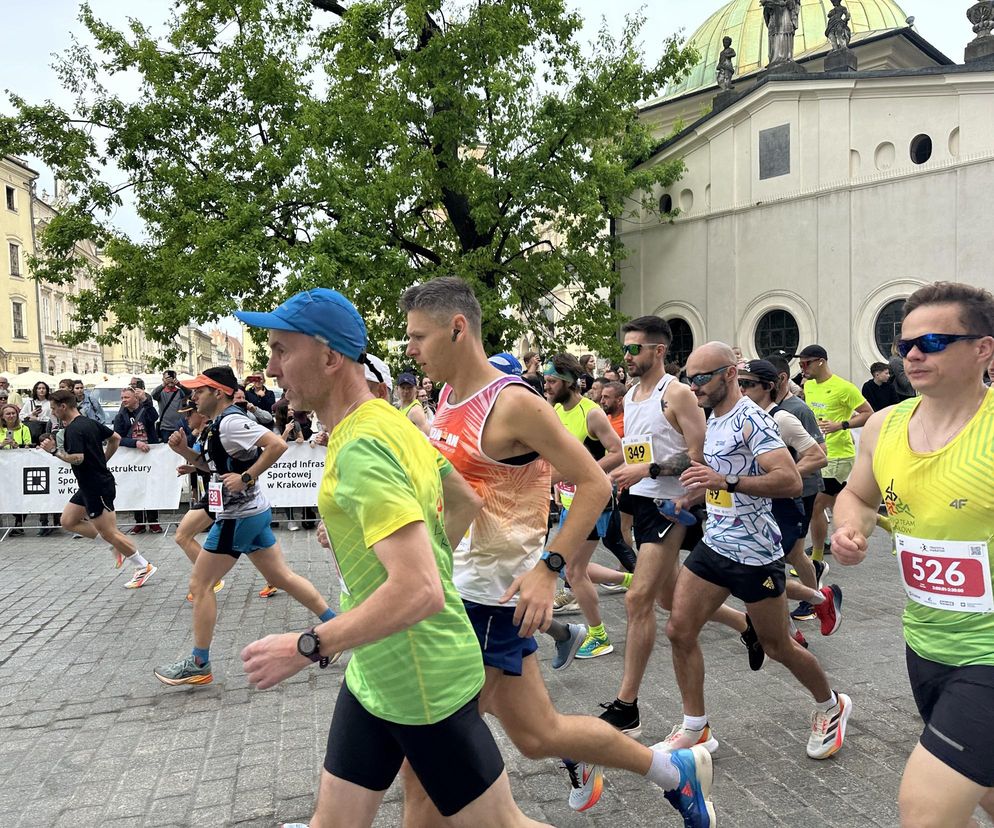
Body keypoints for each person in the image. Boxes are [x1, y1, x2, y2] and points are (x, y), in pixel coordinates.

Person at [401, 277, 715, 824]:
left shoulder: (513, 403)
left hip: (494, 603)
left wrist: (550, 569)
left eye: (417, 337)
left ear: (457, 329)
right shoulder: (447, 397)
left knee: (429, 771)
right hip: (459, 594)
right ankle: (674, 773)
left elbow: (594, 483)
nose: (409, 350)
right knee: (540, 734)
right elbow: (454, 489)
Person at [236, 288, 546, 828]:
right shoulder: (387, 420)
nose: (271, 367)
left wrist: (308, 646)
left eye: (282, 350)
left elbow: (420, 590)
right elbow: (462, 501)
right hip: (376, 672)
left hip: (422, 681)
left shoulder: (362, 447)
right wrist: (396, 549)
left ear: (331, 358)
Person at [832, 282, 994, 828]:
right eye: (904, 345)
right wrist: (848, 530)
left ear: (983, 348)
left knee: (925, 811)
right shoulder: (885, 425)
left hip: (990, 657)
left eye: (933, 340)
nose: (913, 354)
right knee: (985, 792)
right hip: (925, 644)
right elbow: (856, 494)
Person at [665, 343, 851, 761]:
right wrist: (694, 493)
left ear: (729, 374)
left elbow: (787, 480)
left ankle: (830, 704)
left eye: (701, 378)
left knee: (777, 646)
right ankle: (696, 727)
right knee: (679, 629)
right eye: (688, 379)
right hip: (717, 543)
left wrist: (727, 482)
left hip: (755, 553)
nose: (693, 387)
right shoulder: (712, 418)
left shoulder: (752, 420)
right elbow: (714, 473)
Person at [601, 317, 750, 741]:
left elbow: (701, 460)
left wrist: (648, 469)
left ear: (659, 351)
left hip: (671, 508)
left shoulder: (678, 393)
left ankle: (627, 705)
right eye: (625, 348)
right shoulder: (631, 395)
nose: (627, 356)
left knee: (638, 599)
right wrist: (598, 472)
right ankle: (746, 625)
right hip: (641, 498)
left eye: (635, 349)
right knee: (668, 598)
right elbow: (636, 450)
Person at [154, 366, 335, 686]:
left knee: (200, 585)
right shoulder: (217, 425)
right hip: (250, 514)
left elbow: (276, 446)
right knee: (283, 577)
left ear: (219, 393)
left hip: (237, 518)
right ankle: (335, 631)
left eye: (200, 391)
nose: (193, 397)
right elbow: (213, 466)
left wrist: (247, 477)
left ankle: (199, 663)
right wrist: (185, 452)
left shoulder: (233, 422)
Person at [736, 360, 842, 646]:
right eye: (739, 383)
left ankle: (790, 631)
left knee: (763, 574)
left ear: (769, 386)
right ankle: (821, 598)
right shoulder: (741, 419)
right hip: (754, 506)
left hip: (782, 504)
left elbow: (819, 455)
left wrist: (783, 476)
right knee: (787, 561)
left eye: (748, 384)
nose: (742, 390)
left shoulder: (782, 418)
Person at [543, 354, 627, 659]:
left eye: (552, 381)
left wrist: (586, 474)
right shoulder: (554, 410)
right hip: (569, 501)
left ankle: (599, 635)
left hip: (593, 500)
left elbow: (618, 452)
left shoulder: (591, 413)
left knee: (574, 570)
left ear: (567, 381)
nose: (547, 386)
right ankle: (631, 579)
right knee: (571, 565)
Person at [41, 390, 157, 588]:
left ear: (63, 406)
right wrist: (103, 460)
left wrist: (54, 451)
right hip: (88, 484)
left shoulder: (74, 429)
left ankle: (143, 566)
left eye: (53, 408)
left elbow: (78, 458)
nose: (52, 413)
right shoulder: (88, 422)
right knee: (68, 521)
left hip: (97, 486)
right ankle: (116, 545)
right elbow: (116, 438)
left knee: (110, 532)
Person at [797, 344, 873, 562]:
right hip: (819, 452)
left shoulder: (844, 387)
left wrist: (841, 425)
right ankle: (882, 521)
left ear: (820, 361)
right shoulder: (809, 386)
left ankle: (816, 559)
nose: (803, 369)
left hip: (838, 455)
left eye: (806, 363)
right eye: (801, 364)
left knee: (816, 506)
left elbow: (868, 413)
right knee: (838, 503)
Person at [766, 353, 830, 610]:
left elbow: (820, 453)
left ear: (780, 379)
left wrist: (788, 474)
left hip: (803, 489)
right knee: (792, 552)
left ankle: (813, 598)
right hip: (780, 492)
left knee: (792, 552)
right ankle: (814, 594)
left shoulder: (797, 410)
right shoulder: (762, 410)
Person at [114, 387, 163, 534]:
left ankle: (153, 521)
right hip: (132, 457)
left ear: (135, 398)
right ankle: (139, 521)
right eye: (122, 398)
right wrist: (135, 443)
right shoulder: (120, 416)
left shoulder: (144, 409)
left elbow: (154, 416)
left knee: (151, 486)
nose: (124, 401)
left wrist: (146, 401)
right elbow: (117, 439)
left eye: (127, 397)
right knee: (136, 488)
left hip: (149, 455)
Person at [1, 403, 32, 535]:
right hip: (3, 467)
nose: (11, 416)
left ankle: (19, 522)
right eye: (8, 414)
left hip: (18, 467)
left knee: (18, 494)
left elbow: (28, 446)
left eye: (13, 413)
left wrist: (16, 445)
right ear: (2, 416)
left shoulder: (24, 428)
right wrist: (2, 445)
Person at [152, 370, 190, 440]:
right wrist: (164, 384)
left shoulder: (180, 392)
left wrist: (179, 385)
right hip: (166, 428)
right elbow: (153, 394)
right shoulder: (161, 393)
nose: (170, 380)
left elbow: (190, 393)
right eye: (167, 378)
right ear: (163, 379)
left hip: (180, 427)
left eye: (173, 378)